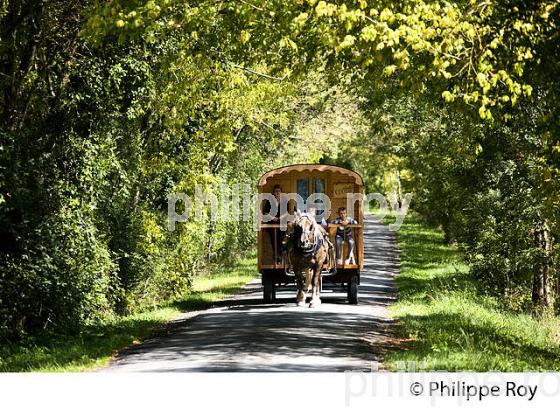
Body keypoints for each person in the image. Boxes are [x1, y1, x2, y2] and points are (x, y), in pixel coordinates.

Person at [262, 184, 286, 264]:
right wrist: (273, 218)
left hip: (281, 223)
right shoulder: (270, 201)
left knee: (281, 239)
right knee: (274, 239)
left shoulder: (284, 201)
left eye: (279, 191)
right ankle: (276, 256)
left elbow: (287, 213)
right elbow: (265, 213)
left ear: (281, 192)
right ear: (273, 192)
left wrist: (280, 218)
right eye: (276, 191)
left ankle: (280, 256)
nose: (277, 193)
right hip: (271, 223)